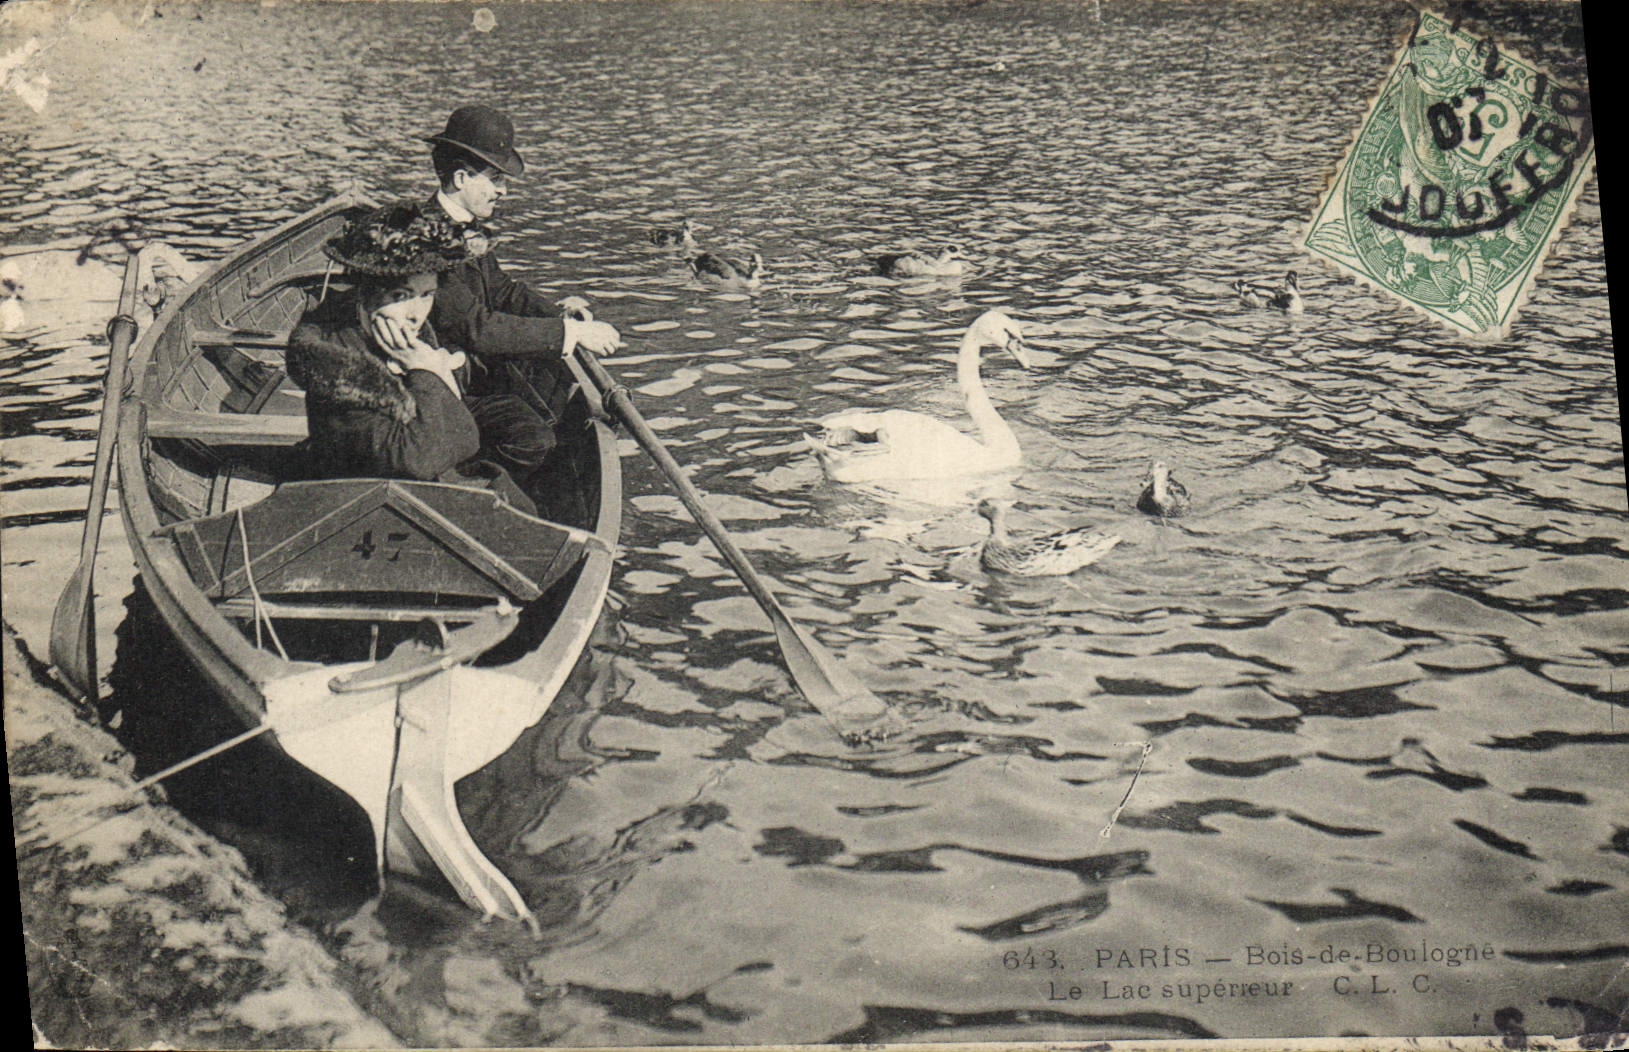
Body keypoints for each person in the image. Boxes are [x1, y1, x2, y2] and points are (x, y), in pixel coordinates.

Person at [369, 103, 622, 484]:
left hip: (469, 371)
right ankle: (463, 477)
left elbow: (504, 292)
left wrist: (561, 318)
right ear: (460, 178)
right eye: (495, 179)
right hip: (436, 386)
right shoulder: (428, 240)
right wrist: (570, 336)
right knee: (534, 440)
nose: (503, 191)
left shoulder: (465, 227)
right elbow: (476, 328)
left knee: (552, 384)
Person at [285, 201, 536, 514]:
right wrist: (428, 371)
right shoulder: (341, 364)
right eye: (401, 297)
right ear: (365, 297)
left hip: (403, 492)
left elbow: (457, 439)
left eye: (427, 294)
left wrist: (433, 374)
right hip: (364, 507)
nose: (417, 315)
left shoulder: (396, 339)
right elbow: (420, 458)